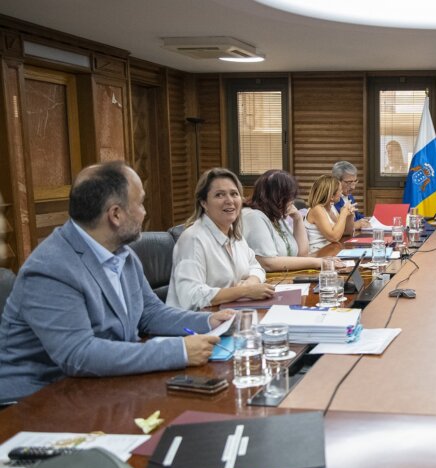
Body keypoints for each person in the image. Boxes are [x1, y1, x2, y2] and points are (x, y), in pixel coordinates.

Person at [0, 162, 232, 402]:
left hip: (101, 386)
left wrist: (209, 321)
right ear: (116, 214)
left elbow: (150, 312)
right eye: (140, 203)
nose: (144, 212)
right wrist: (179, 351)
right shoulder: (51, 268)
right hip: (36, 402)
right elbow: (79, 355)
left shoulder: (122, 253)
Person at [167, 168, 273, 310]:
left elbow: (256, 267)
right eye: (219, 195)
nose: (229, 201)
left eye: (234, 194)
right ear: (204, 203)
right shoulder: (193, 239)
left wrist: (251, 283)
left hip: (229, 315)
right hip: (196, 325)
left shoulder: (234, 234)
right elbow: (191, 296)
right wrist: (244, 292)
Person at [242, 169, 342, 271]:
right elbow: (268, 263)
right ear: (276, 196)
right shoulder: (253, 216)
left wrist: (297, 218)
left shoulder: (276, 215)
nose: (292, 201)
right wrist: (319, 262)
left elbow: (302, 254)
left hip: (286, 277)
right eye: (289, 197)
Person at [304, 174, 355, 253]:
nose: (342, 194)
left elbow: (346, 232)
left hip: (331, 250)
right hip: (318, 254)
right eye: (340, 190)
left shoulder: (331, 208)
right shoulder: (317, 209)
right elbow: (334, 237)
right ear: (331, 196)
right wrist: (343, 214)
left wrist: (350, 215)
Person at [332, 161, 370, 230]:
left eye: (355, 181)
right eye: (349, 182)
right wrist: (355, 225)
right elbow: (335, 226)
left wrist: (368, 219)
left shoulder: (350, 196)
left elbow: (357, 216)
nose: (353, 187)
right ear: (336, 181)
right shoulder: (331, 199)